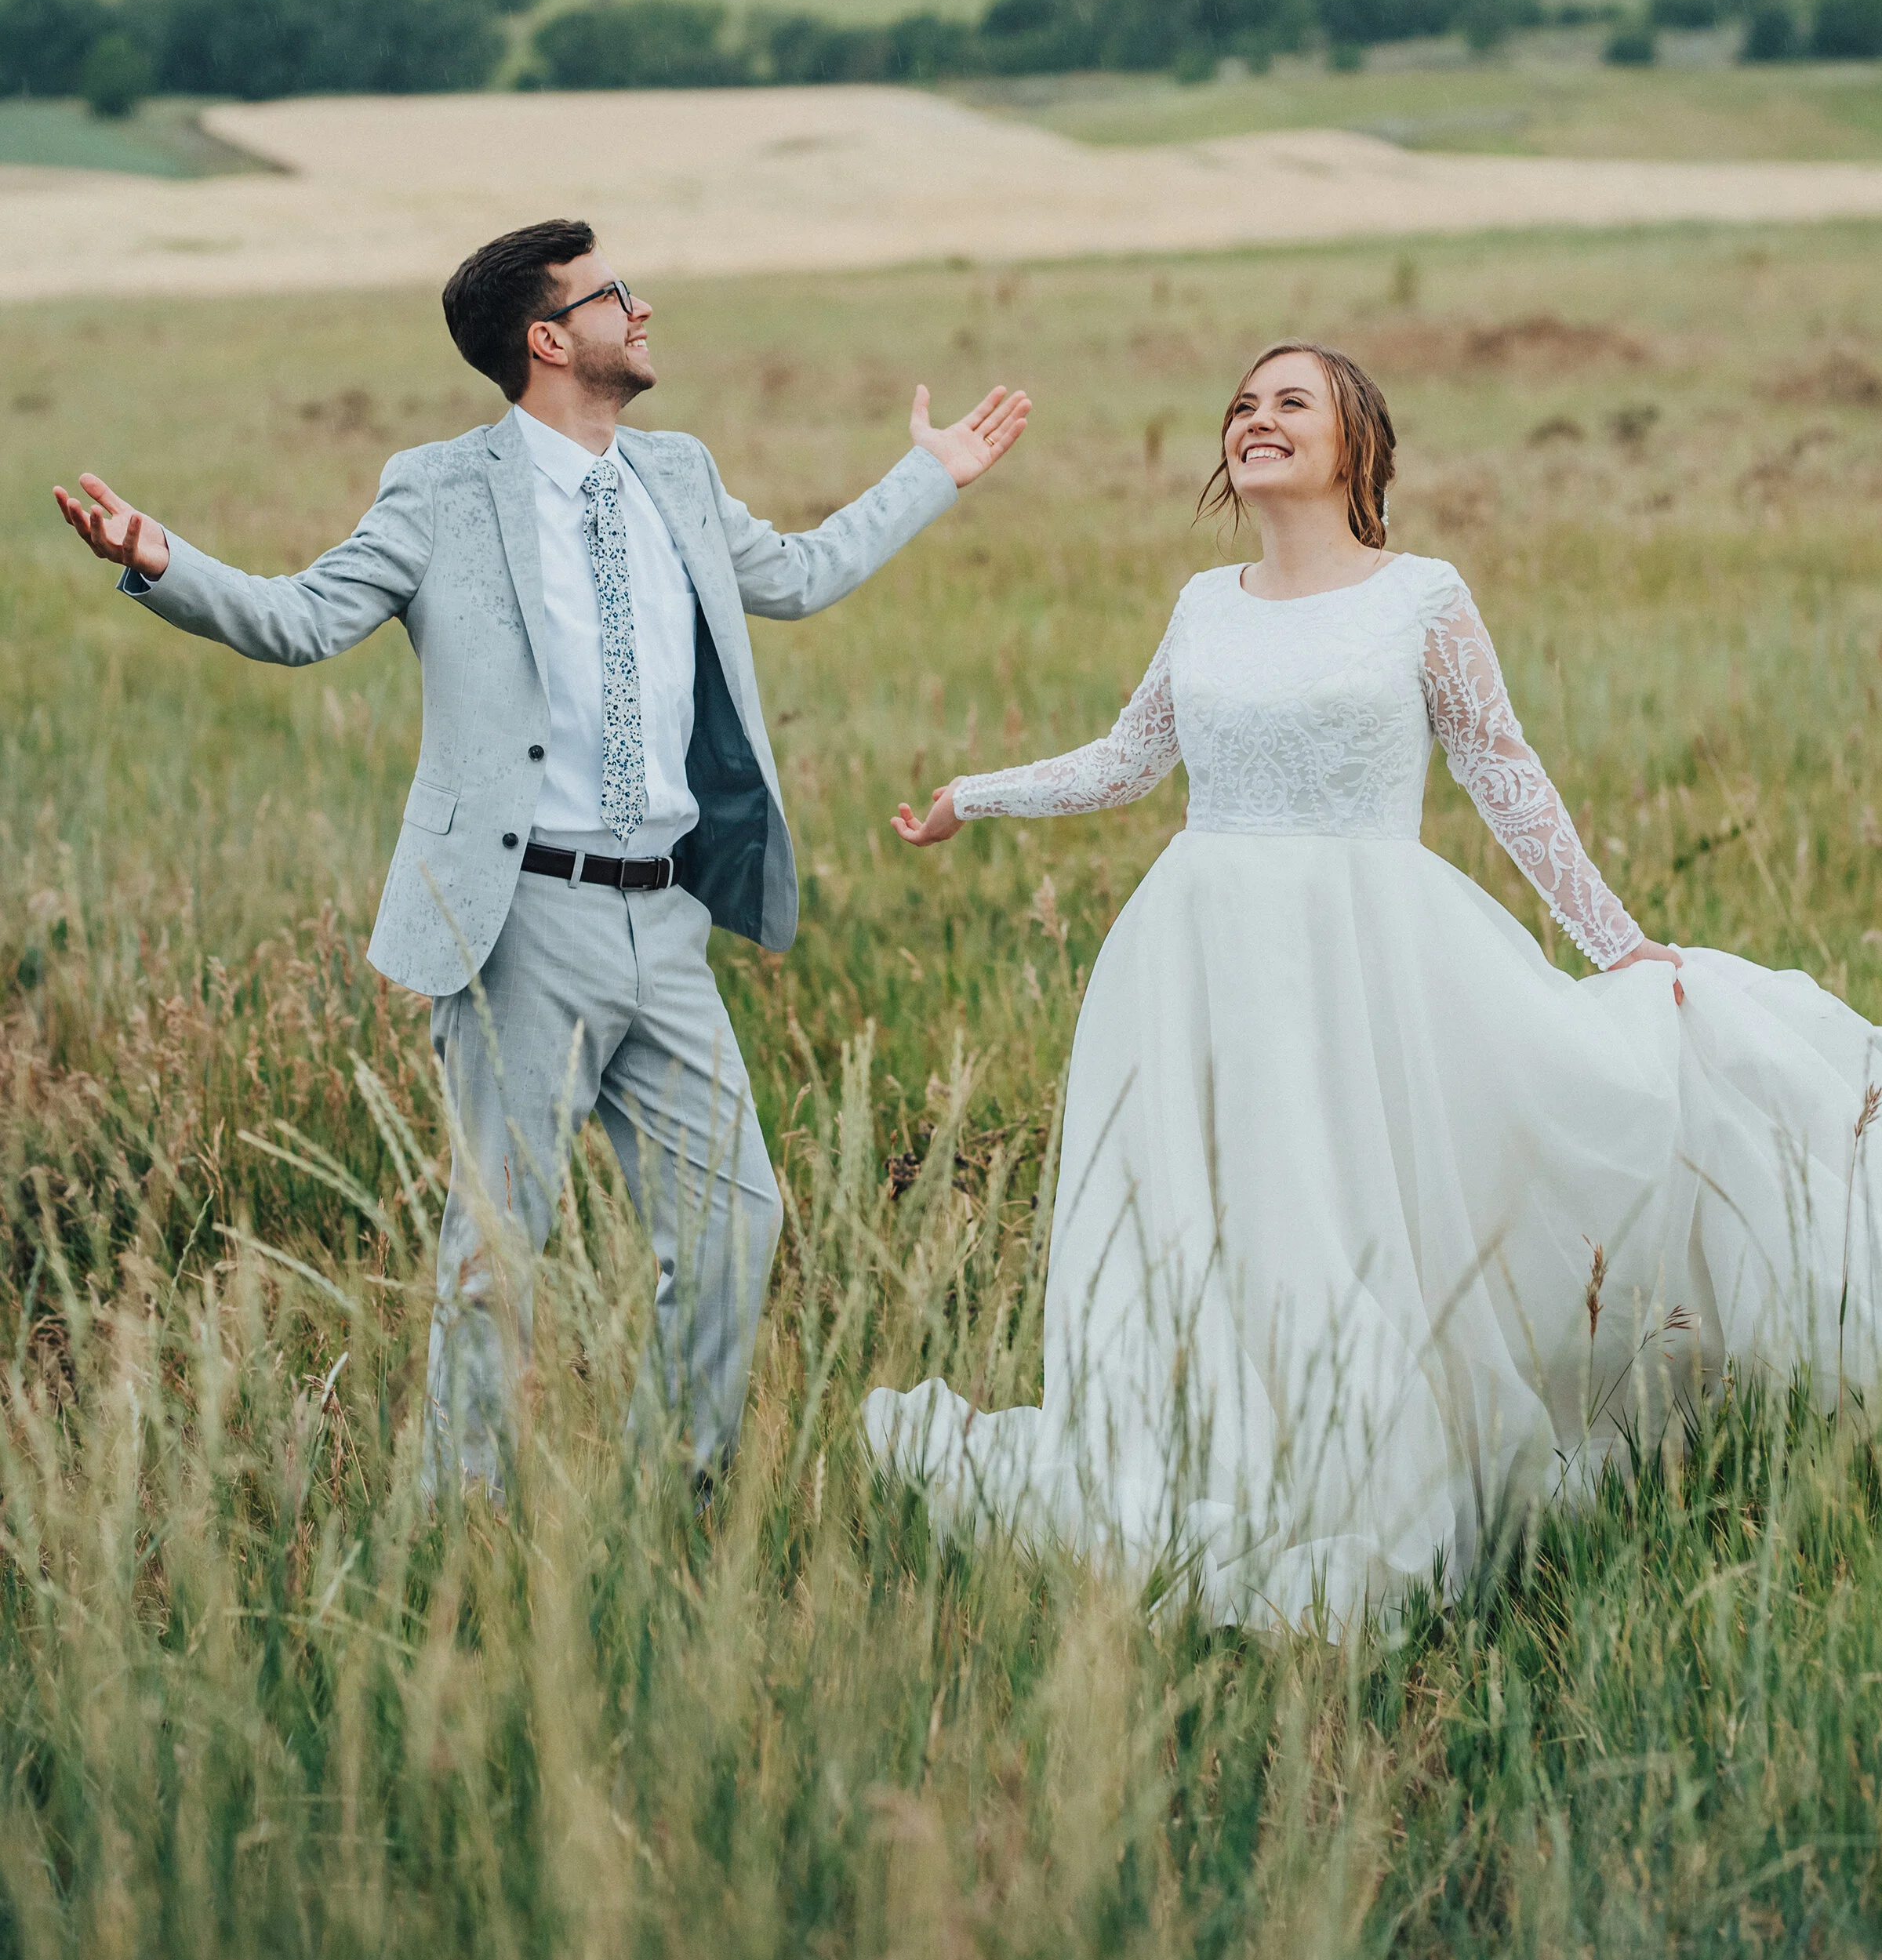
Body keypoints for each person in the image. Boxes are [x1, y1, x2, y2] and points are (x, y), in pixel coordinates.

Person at [868, 341, 1880, 1630]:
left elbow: (1506, 776)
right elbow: (1131, 759)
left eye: (1292, 401)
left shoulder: (1422, 598)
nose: (1258, 419)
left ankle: (1369, 1463)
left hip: (1370, 963)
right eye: (1242, 404)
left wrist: (1621, 947)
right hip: (1198, 957)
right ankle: (1226, 1456)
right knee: (1214, 1221)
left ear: (1359, 442)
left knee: (1355, 1211)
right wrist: (978, 794)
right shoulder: (1204, 602)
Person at [54, 217, 1030, 1501]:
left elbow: (792, 576)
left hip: (668, 918)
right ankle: (462, 1526)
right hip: (525, 918)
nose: (645, 308)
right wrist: (161, 561)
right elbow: (302, 618)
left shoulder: (676, 472)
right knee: (498, 1250)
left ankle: (671, 1498)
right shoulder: (439, 488)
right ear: (550, 337)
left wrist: (931, 475)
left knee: (739, 1222)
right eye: (618, 293)